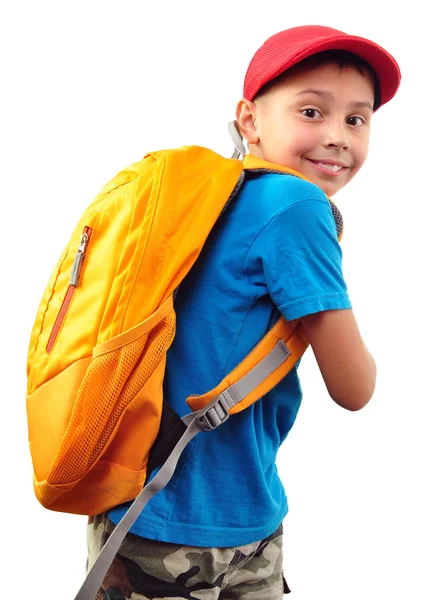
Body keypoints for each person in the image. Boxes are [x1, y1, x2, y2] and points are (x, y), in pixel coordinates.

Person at [86, 25, 401, 599]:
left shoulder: (222, 195)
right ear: (250, 119)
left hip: (141, 508)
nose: (336, 136)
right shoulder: (296, 206)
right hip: (203, 527)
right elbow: (355, 387)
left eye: (357, 119)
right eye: (311, 111)